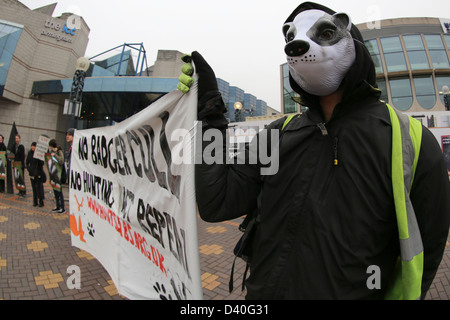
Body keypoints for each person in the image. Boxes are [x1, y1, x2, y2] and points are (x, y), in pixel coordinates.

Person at [178, 2, 450, 300]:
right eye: (291, 37)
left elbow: (428, 250)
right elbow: (216, 202)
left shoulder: (410, 140)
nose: (298, 46)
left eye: (324, 33)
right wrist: (211, 118)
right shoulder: (278, 134)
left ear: (352, 42)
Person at [48, 139, 65, 214]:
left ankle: (62, 207)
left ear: (51, 146)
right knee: (55, 191)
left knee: (59, 191)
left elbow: (61, 161)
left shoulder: (59, 152)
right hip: (53, 174)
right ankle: (57, 206)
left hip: (59, 175)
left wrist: (55, 155)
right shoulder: (52, 152)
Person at [26, 142, 45, 207]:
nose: (32, 148)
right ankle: (35, 201)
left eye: (34, 146)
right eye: (32, 146)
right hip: (32, 173)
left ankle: (41, 201)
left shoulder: (39, 154)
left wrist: (39, 159)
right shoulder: (29, 153)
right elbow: (27, 163)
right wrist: (29, 169)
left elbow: (42, 163)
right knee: (34, 188)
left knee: (39, 188)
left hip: (38, 173)